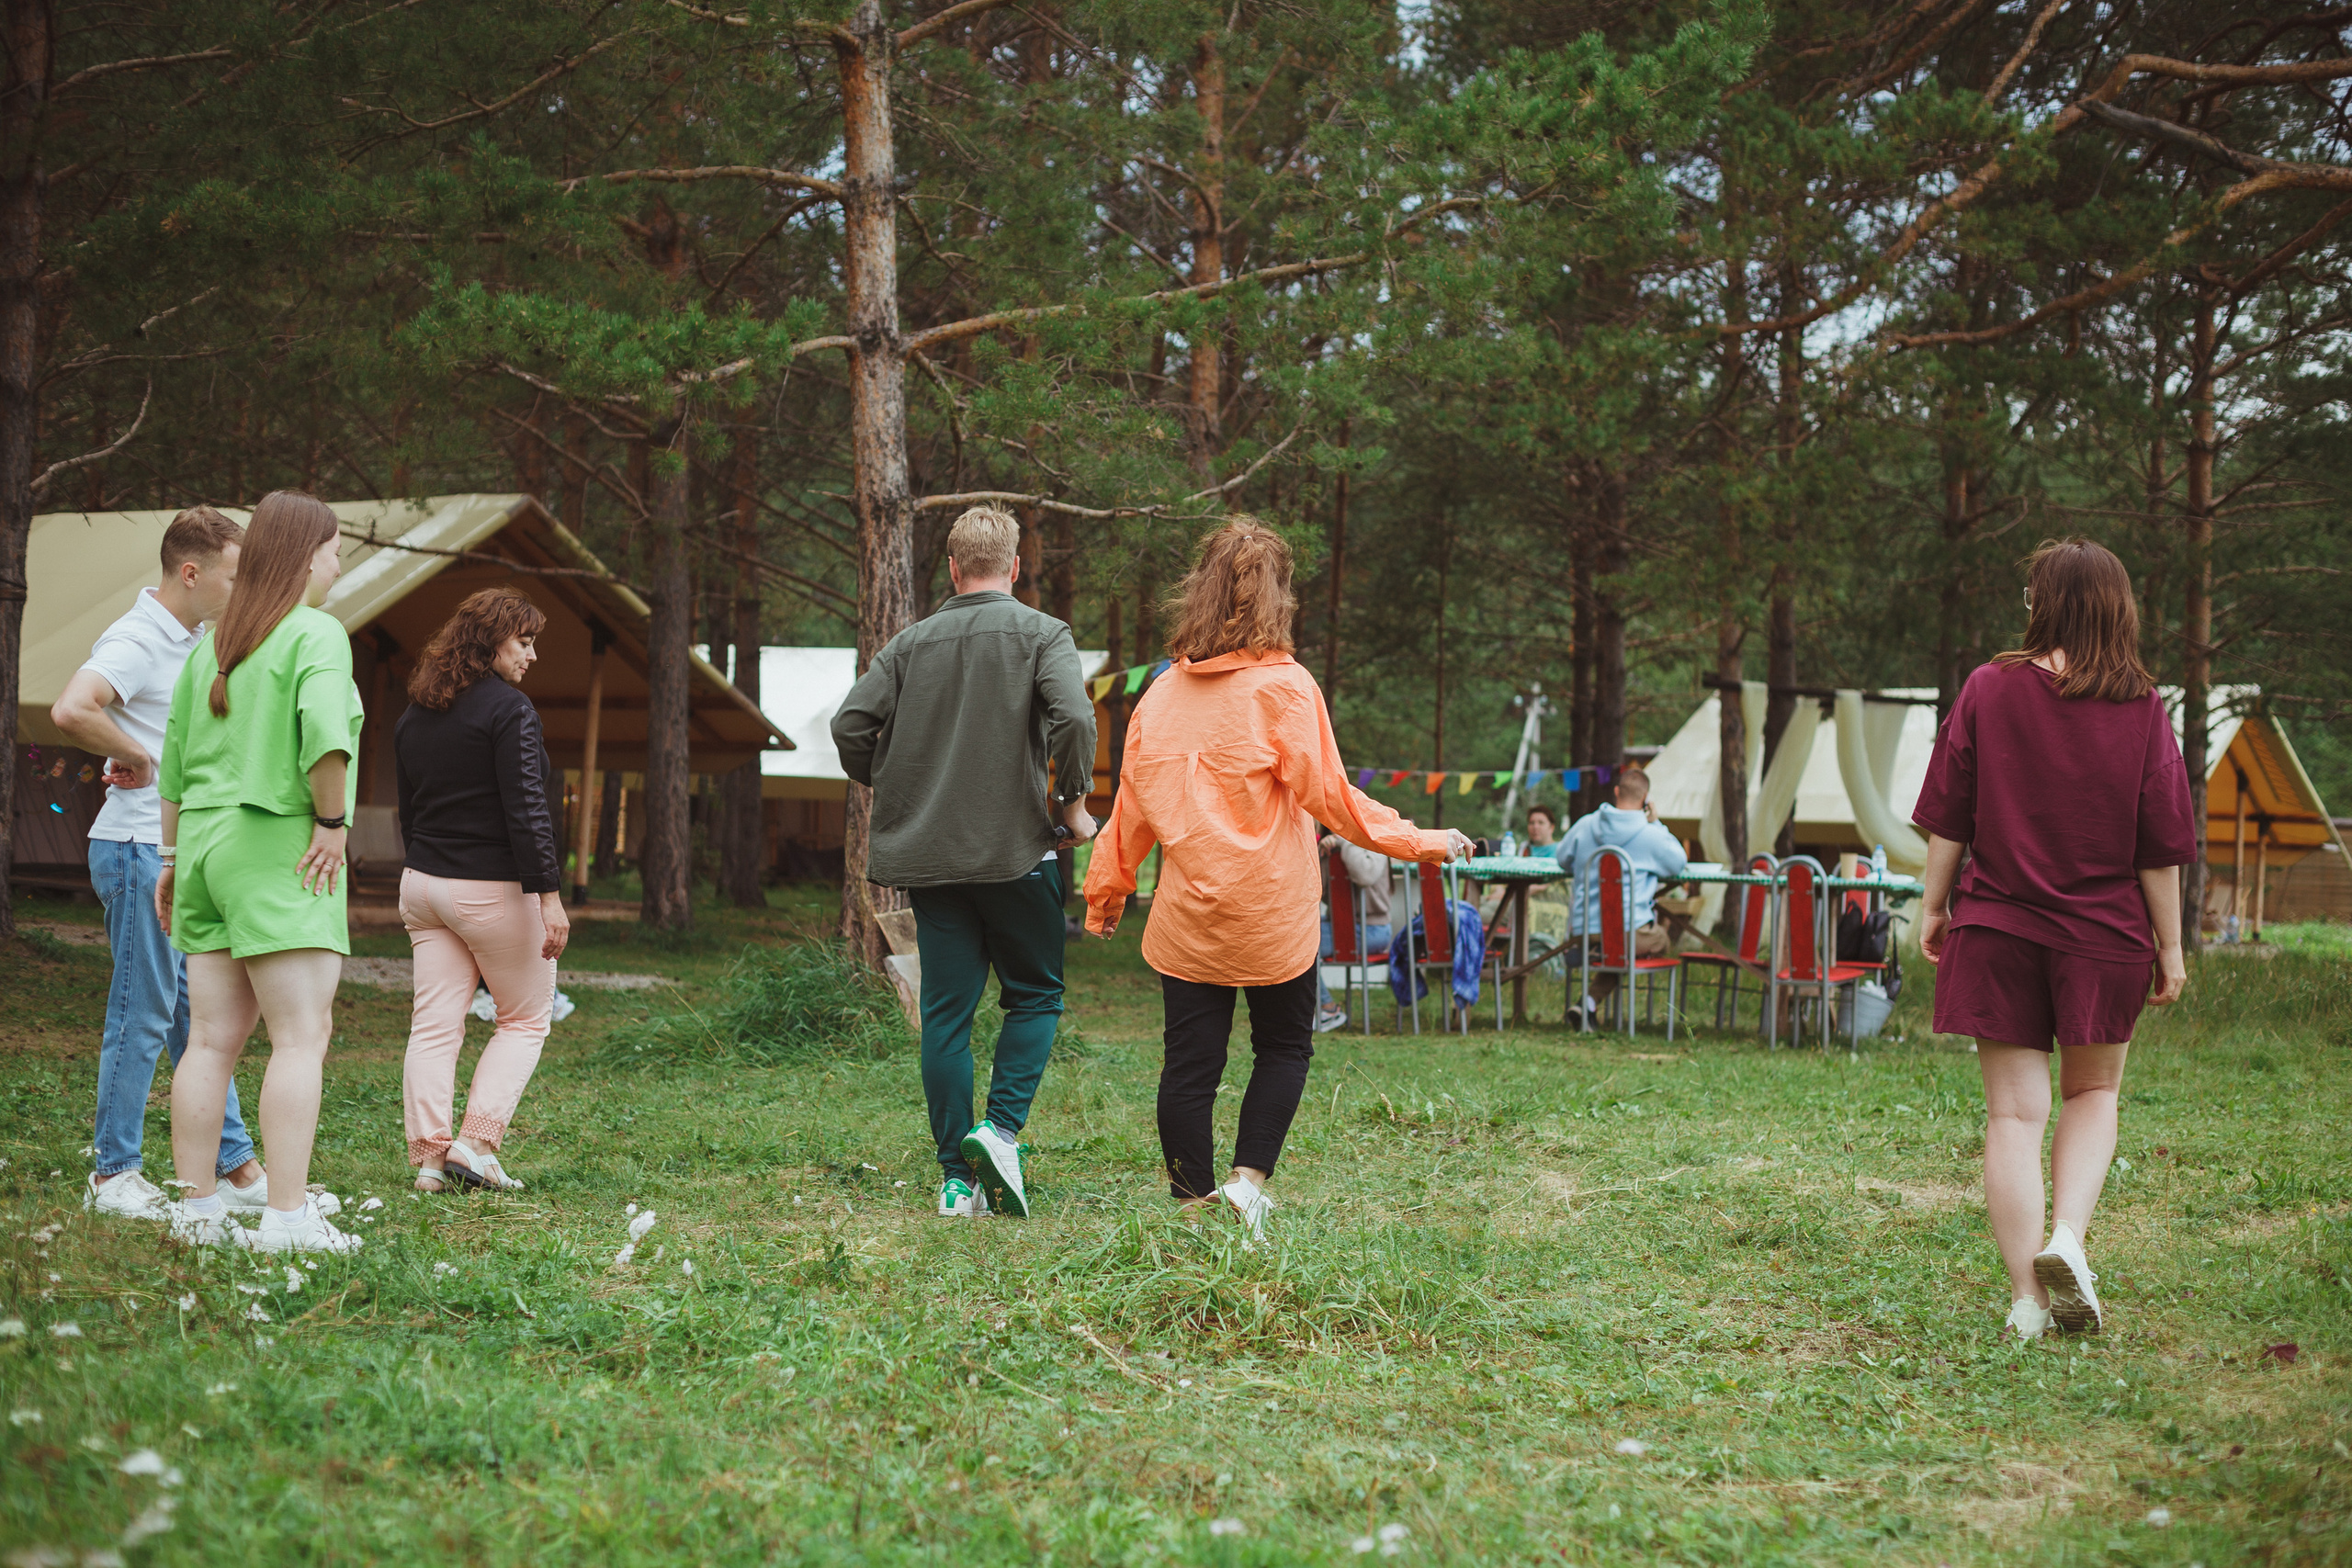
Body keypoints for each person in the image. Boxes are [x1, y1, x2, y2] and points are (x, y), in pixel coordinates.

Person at [1083, 518, 1471, 1238]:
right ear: (1278, 598)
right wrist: (1423, 841)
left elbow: (1128, 812)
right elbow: (1336, 801)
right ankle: (1245, 1182)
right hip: (1273, 917)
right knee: (1285, 1047)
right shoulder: (1287, 689)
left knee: (1189, 1066)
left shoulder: (1159, 697)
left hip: (1189, 919)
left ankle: (1194, 1208)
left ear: (1197, 592)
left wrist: (1107, 893)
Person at [1913, 538, 2192, 1340]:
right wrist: (2170, 950)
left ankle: (2028, 1300)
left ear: (2047, 602)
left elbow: (1949, 814)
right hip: (2104, 934)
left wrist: (1934, 905)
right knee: (2093, 1094)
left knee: (2012, 1115)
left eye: (2033, 592)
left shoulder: (1988, 688)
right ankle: (2068, 1239)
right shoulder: (2141, 705)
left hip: (1998, 924)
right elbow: (2157, 846)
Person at [832, 505, 1097, 1221]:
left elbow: (849, 726)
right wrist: (1072, 804)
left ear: (953, 568)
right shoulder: (1045, 634)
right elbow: (1073, 716)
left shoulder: (912, 642)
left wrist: (897, 780)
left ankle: (956, 1181)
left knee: (946, 1016)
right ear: (1014, 567)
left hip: (932, 859)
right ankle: (1000, 1133)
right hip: (1017, 855)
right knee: (1036, 994)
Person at [157, 491, 366, 1255]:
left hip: (206, 846)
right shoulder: (315, 632)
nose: (340, 564)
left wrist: (173, 860)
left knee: (209, 1040)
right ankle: (285, 1217)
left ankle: (198, 1208)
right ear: (308, 554)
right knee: (300, 1035)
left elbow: (172, 769)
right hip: (278, 844)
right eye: (337, 549)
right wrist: (333, 825)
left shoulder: (213, 642)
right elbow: (326, 737)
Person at [51, 508, 270, 1221]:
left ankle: (236, 1167)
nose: (243, 590)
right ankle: (114, 1174)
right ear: (191, 572)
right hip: (136, 847)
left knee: (196, 1016)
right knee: (141, 1011)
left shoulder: (195, 637)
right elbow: (71, 708)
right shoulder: (140, 635)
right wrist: (139, 756)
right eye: (235, 577)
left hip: (169, 848)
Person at [393, 587, 571, 1195]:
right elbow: (528, 807)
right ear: (491, 641)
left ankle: (428, 1161)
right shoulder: (510, 710)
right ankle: (477, 1144)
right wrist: (548, 896)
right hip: (489, 888)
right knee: (524, 1019)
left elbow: (408, 810)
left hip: (422, 886)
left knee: (435, 1025)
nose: (532, 655)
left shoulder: (416, 711)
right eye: (524, 641)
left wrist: (427, 865)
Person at [1555, 766, 1688, 1025]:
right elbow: (1678, 863)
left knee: (1618, 948)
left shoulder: (1586, 824)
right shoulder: (1651, 834)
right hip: (1627, 932)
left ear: (1616, 791)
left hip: (1584, 929)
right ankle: (1598, 973)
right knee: (1659, 940)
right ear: (1646, 798)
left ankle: (1589, 1001)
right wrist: (1657, 822)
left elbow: (1562, 859)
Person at [1313, 834, 1392, 1032]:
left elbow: (1365, 875)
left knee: (1300, 945)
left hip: (1372, 929)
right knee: (1294, 934)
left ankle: (1327, 1008)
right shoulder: (1334, 844)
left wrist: (1346, 839)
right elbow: (1316, 890)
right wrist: (1322, 854)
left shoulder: (1377, 841)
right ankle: (1320, 1009)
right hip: (1340, 925)